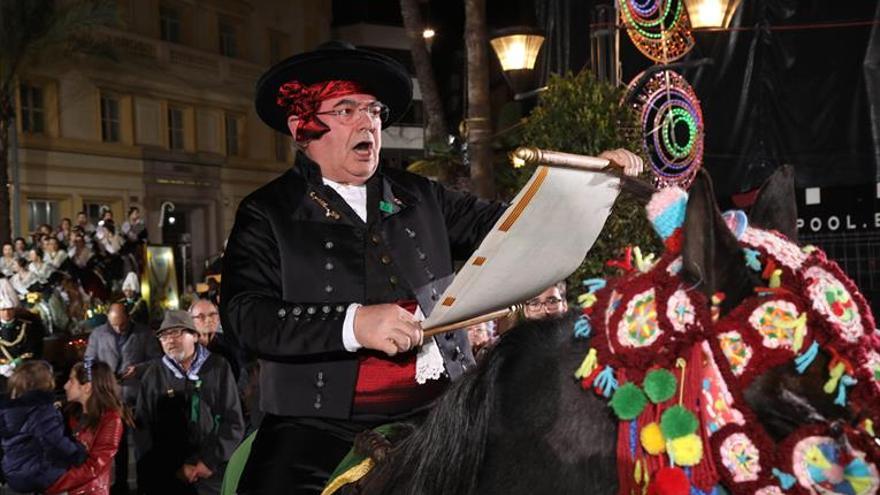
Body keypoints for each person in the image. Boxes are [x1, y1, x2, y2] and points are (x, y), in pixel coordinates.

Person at [220, 41, 644, 494]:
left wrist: (596, 183)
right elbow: (246, 315)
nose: (368, 123)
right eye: (346, 110)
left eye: (374, 111)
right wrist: (354, 323)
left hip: (442, 408)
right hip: (315, 426)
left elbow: (511, 227)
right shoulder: (266, 211)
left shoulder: (421, 195)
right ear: (302, 127)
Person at [135, 310, 244, 495]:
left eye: (176, 332)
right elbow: (143, 430)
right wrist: (169, 469)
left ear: (194, 335)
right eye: (163, 336)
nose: (169, 340)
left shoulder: (218, 367)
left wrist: (208, 462)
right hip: (168, 476)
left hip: (212, 475)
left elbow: (233, 421)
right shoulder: (153, 375)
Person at [85, 300, 160, 494]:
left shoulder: (144, 333)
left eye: (122, 324)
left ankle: (145, 485)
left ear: (128, 317)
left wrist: (139, 369)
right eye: (114, 325)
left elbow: (158, 361)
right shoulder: (98, 334)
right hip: (110, 400)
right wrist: (99, 380)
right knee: (115, 447)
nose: (118, 329)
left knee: (143, 446)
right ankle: (120, 486)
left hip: (137, 399)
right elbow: (88, 361)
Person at [0, 361, 87, 493]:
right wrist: (78, 453)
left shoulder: (7, 409)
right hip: (41, 473)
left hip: (13, 474)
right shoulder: (41, 409)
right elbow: (54, 440)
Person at [45, 360, 128, 495]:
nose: (65, 386)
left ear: (87, 387)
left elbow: (94, 466)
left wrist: (52, 483)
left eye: (71, 381)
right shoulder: (66, 413)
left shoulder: (110, 420)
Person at [189, 298, 243, 382]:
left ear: (218, 319)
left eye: (212, 315)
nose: (208, 320)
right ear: (191, 321)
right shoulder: (186, 347)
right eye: (201, 316)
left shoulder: (231, 343)